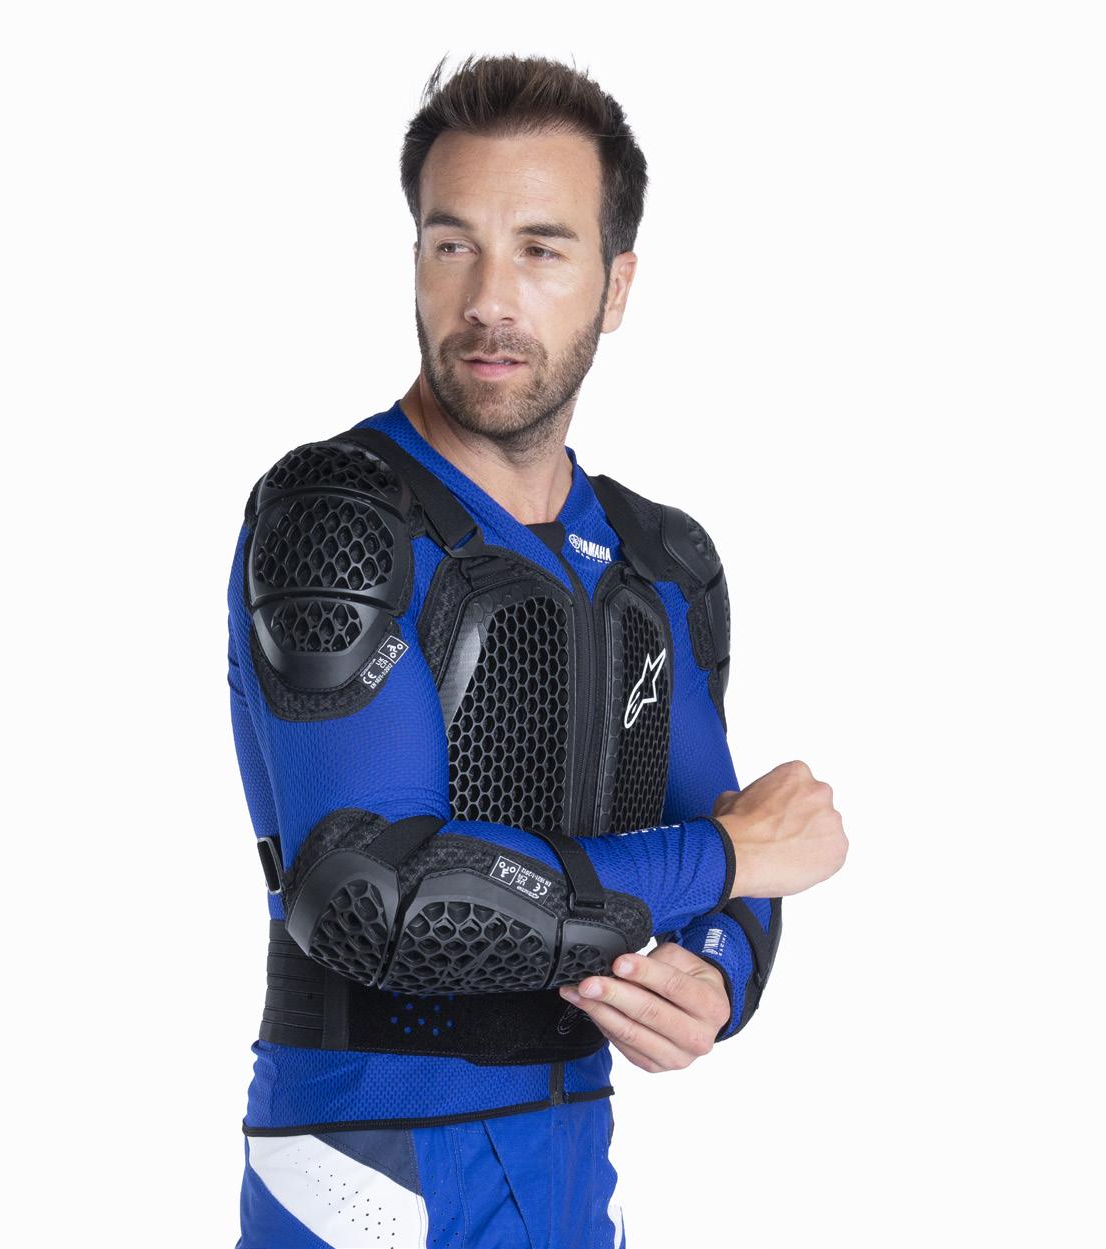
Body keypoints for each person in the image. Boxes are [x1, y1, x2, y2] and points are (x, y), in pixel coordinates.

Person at [225, 53, 847, 1249]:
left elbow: (729, 853)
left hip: (568, 1157)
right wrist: (728, 858)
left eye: (541, 250)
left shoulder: (661, 562)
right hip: (366, 1164)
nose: (487, 298)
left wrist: (718, 971)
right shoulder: (338, 517)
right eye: (451, 244)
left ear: (616, 284)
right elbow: (369, 899)